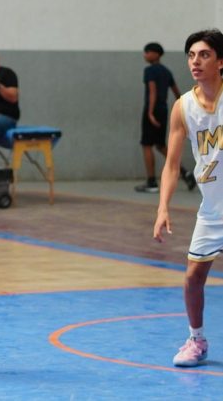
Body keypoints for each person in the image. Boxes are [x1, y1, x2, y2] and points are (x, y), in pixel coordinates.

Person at [153, 28, 223, 368]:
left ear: (221, 62)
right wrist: (162, 206)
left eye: (204, 54)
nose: (196, 61)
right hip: (212, 209)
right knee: (193, 277)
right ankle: (196, 340)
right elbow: (171, 164)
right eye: (192, 55)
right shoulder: (183, 107)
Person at [137, 41, 195, 193]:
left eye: (147, 51)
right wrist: (184, 109)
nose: (145, 55)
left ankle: (151, 182)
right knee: (160, 145)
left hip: (153, 110)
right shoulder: (166, 71)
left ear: (156, 54)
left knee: (146, 144)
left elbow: (152, 91)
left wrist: (150, 112)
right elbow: (177, 93)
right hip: (163, 110)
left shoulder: (150, 71)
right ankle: (185, 173)